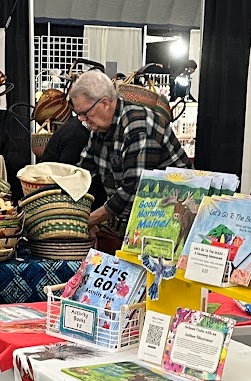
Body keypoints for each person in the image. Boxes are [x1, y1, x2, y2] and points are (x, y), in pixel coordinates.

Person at [73, 69, 188, 248]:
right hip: (139, 220)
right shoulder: (100, 129)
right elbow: (82, 173)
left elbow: (133, 191)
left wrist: (87, 221)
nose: (82, 120)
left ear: (104, 103)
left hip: (168, 221)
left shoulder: (138, 125)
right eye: (78, 114)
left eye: (85, 113)